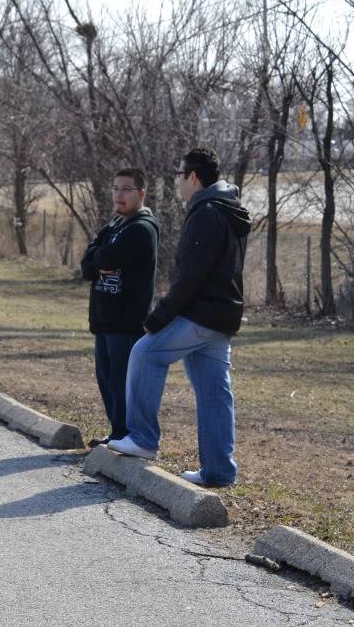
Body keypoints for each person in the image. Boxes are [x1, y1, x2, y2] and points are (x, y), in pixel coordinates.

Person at [107, 147, 251, 488]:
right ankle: (218, 471)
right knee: (214, 392)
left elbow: (191, 276)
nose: (177, 181)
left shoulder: (206, 212)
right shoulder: (228, 209)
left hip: (203, 314)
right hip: (223, 315)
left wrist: (159, 317)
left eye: (179, 174)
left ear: (193, 177)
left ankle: (142, 438)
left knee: (145, 352)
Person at [79, 168, 159, 447]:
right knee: (107, 382)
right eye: (115, 188)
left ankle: (127, 436)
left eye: (126, 189)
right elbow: (87, 266)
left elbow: (108, 257)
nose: (119, 194)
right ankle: (116, 433)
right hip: (103, 320)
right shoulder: (114, 226)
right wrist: (97, 258)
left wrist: (98, 257)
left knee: (121, 384)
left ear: (141, 193)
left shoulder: (142, 228)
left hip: (125, 322)